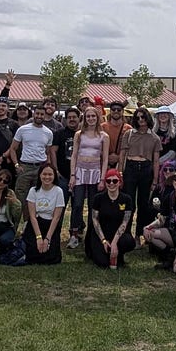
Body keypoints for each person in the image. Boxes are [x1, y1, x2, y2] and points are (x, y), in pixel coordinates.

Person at [68, 106, 110, 248]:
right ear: (84, 118)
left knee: (93, 205)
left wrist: (103, 179)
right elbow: (74, 155)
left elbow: (104, 159)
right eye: (88, 116)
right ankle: (74, 234)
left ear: (97, 118)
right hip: (80, 171)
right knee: (77, 204)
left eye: (93, 116)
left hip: (95, 173)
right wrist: (72, 175)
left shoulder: (104, 136)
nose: (91, 119)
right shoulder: (79, 134)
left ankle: (93, 234)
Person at [119, 107, 161, 238]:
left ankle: (139, 234)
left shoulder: (154, 137)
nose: (140, 120)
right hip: (130, 168)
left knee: (143, 204)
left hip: (146, 168)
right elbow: (122, 154)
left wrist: (155, 179)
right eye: (137, 118)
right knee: (128, 201)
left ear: (148, 118)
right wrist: (120, 172)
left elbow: (156, 161)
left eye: (143, 117)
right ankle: (126, 234)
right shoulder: (129, 134)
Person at [86, 169, 136, 268]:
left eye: (115, 181)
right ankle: (109, 253)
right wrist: (104, 240)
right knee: (103, 263)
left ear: (120, 182)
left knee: (129, 242)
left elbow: (124, 223)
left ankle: (117, 252)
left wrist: (114, 242)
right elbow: (95, 220)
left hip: (117, 234)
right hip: (101, 235)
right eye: (108, 181)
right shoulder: (98, 198)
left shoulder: (127, 199)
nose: (111, 183)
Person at [22, 163, 65, 265]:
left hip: (51, 225)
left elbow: (56, 217)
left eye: (50, 174)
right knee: (33, 255)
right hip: (36, 224)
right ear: (40, 175)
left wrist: (47, 239)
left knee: (51, 258)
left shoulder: (58, 191)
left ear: (54, 176)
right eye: (44, 174)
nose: (47, 177)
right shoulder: (33, 191)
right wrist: (39, 238)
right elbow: (32, 216)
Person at [11, 104, 56, 202]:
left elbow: (48, 152)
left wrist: (48, 167)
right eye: (37, 114)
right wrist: (16, 165)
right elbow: (13, 149)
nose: (39, 116)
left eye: (42, 114)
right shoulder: (23, 129)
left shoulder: (48, 133)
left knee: (37, 196)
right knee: (20, 196)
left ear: (45, 116)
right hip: (25, 167)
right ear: (33, 114)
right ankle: (19, 216)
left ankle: (31, 217)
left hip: (40, 168)